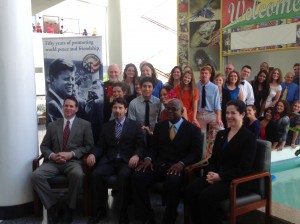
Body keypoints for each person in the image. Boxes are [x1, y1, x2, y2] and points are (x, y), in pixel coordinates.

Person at [185, 99, 257, 224]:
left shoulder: (249, 138)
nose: (229, 116)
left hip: (235, 181)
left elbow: (245, 168)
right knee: (190, 190)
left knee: (206, 196)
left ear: (242, 115)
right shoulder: (222, 134)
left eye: (233, 113)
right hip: (216, 176)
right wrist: (211, 173)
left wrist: (220, 176)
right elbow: (213, 159)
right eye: (227, 113)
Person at [132, 98, 202, 224]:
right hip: (158, 165)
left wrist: (182, 163)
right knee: (138, 176)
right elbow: (153, 148)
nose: (169, 111)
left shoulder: (193, 130)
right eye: (167, 108)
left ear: (181, 111)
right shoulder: (160, 126)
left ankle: (170, 215)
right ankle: (146, 215)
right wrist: (148, 159)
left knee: (173, 180)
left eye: (173, 109)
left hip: (179, 167)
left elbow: (196, 154)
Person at [32, 96, 94, 224]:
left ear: (76, 109)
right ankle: (53, 207)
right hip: (53, 162)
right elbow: (44, 146)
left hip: (73, 162)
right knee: (36, 176)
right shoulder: (53, 125)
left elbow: (89, 146)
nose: (68, 108)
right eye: (66, 105)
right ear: (62, 107)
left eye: (71, 106)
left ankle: (69, 208)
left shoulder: (85, 125)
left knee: (77, 175)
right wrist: (52, 156)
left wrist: (71, 154)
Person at [86, 97, 144, 224]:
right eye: (115, 107)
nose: (117, 110)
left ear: (126, 110)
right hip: (110, 159)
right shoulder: (106, 126)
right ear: (112, 109)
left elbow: (140, 145)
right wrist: (93, 154)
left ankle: (123, 211)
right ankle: (101, 210)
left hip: (127, 160)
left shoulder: (135, 126)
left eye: (120, 108)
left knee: (124, 175)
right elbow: (100, 146)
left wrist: (137, 155)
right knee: (96, 174)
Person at [196, 65, 223, 157]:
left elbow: (217, 105)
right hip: (199, 114)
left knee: (222, 130)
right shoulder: (196, 86)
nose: (204, 75)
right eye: (202, 73)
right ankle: (203, 156)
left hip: (211, 114)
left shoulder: (214, 87)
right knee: (201, 136)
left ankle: (218, 152)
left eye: (206, 73)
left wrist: (219, 118)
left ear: (210, 75)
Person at [128, 77, 162, 145]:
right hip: (139, 133)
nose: (147, 89)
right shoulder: (133, 103)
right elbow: (131, 122)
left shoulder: (159, 102)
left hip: (155, 133)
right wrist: (141, 128)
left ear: (153, 89)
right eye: (144, 86)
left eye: (149, 86)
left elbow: (162, 120)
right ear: (140, 88)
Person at [46, 58, 76, 123]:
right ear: (53, 79)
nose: (71, 83)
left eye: (72, 79)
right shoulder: (52, 105)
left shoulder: (61, 102)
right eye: (66, 79)